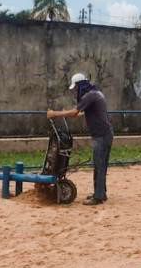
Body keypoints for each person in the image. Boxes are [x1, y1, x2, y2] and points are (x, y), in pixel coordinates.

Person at [47, 72, 113, 205]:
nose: (75, 91)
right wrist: (74, 113)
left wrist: (55, 114)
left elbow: (75, 112)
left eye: (76, 88)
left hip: (101, 135)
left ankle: (99, 196)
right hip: (104, 134)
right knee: (100, 165)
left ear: (81, 85)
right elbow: (83, 112)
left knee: (99, 165)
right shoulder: (95, 93)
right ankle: (100, 193)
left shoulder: (90, 95)